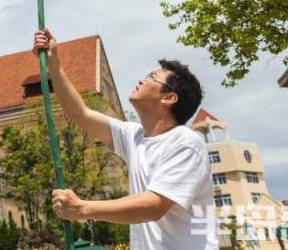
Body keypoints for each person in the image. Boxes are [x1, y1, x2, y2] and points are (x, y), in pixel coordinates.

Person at [33, 28, 218, 250]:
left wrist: (81, 208)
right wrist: (53, 65)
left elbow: (154, 205)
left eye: (152, 77)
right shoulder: (135, 136)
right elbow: (80, 114)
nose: (142, 80)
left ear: (169, 97)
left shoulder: (186, 142)